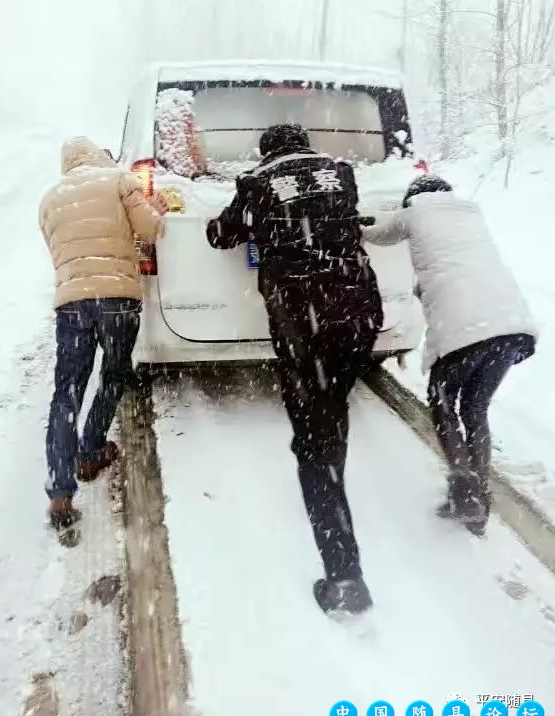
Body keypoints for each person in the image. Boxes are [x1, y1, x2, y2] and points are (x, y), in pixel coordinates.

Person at [205, 124, 383, 615]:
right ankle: (332, 468)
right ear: (304, 145)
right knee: (332, 406)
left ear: (267, 151)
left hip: (306, 321)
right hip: (360, 312)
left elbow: (220, 235)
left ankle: (345, 579)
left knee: (313, 437)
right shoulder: (340, 173)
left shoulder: (258, 183)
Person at [361, 174, 538, 535]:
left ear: (414, 198)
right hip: (510, 326)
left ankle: (466, 492)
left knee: (442, 405)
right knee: (475, 409)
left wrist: (359, 224)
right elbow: (457, 262)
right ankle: (479, 496)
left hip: (465, 328)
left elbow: (381, 233)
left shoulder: (414, 214)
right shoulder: (470, 213)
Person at [39, 137, 165, 530]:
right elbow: (149, 230)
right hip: (118, 300)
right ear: (97, 155)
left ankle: (60, 491)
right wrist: (157, 211)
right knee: (114, 373)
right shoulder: (118, 179)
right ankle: (91, 449)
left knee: (67, 392)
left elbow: (59, 252)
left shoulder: (50, 198)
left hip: (73, 304)